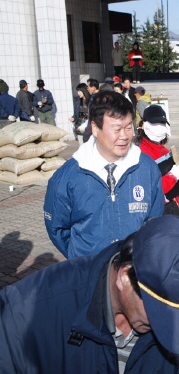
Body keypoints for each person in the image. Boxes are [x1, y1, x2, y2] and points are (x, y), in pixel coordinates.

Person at [0, 215, 179, 374]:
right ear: (125, 277)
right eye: (160, 311)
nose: (171, 326)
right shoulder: (28, 309)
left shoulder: (175, 326)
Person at [44, 91, 164, 259]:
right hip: (88, 272)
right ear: (95, 127)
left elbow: (154, 220)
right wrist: (82, 257)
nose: (124, 136)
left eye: (128, 127)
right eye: (116, 129)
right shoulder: (67, 176)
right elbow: (57, 228)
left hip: (134, 270)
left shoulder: (147, 168)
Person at [138, 104, 179, 215]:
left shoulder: (165, 150)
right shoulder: (141, 154)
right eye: (155, 123)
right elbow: (149, 190)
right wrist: (172, 177)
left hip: (173, 205)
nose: (159, 127)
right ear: (143, 124)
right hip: (157, 211)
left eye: (162, 123)